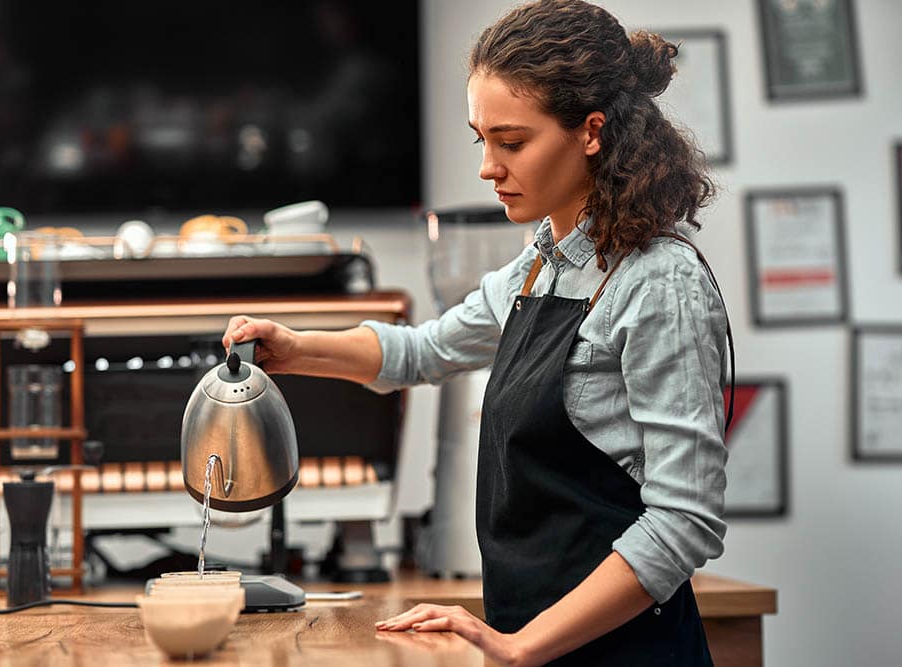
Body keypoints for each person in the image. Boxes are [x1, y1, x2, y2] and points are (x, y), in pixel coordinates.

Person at [223, 1, 733, 664]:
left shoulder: (658, 282)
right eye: (481, 139)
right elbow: (424, 349)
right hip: (534, 646)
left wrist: (521, 644)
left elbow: (682, 521)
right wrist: (293, 346)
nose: (489, 166)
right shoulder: (541, 263)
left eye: (512, 141)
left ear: (592, 131)